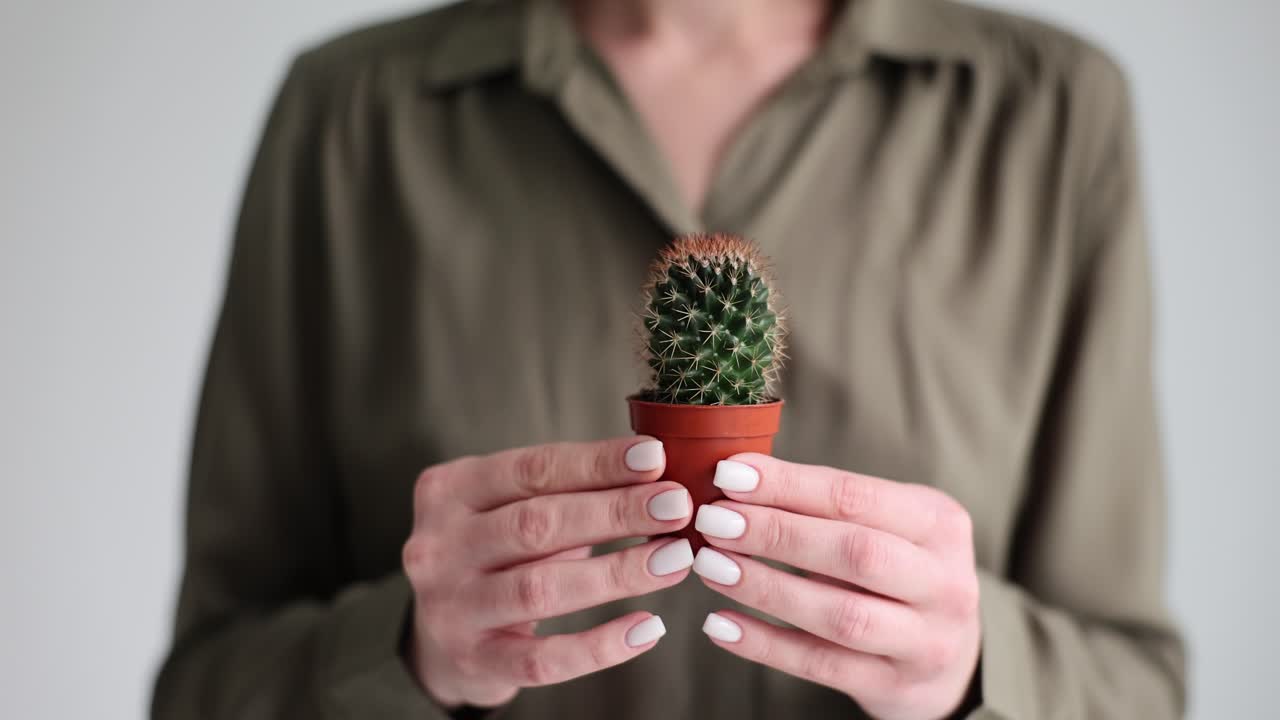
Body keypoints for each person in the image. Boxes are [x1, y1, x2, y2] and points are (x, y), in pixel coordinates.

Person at [151, 0, 1187, 717]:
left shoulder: (1048, 113)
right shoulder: (351, 117)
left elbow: (1137, 688)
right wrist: (411, 656)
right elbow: (204, 685)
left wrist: (973, 670)